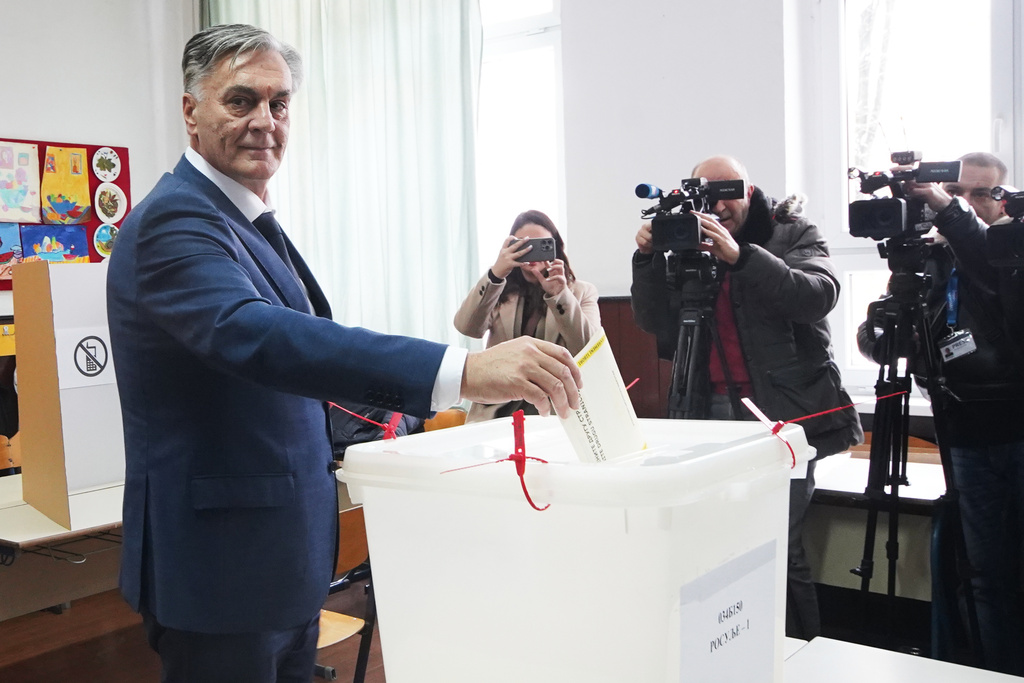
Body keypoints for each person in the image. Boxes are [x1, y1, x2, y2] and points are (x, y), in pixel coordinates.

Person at [105, 24, 581, 683]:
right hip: (220, 572)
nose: (264, 121)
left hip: (283, 561)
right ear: (190, 110)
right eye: (239, 101)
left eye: (279, 103)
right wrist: (461, 370)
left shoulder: (246, 222)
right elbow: (258, 336)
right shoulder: (174, 220)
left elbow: (300, 366)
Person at [630, 154, 863, 640]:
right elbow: (657, 324)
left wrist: (742, 256)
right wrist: (649, 261)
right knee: (714, 546)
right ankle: (732, 651)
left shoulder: (791, 232)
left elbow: (817, 295)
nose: (718, 202)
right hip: (706, 413)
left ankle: (798, 655)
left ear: (751, 192)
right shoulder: (685, 243)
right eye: (706, 191)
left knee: (779, 543)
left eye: (728, 190)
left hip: (781, 415)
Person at [867, 166, 1024, 676]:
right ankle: (993, 669)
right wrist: (891, 337)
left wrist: (949, 213)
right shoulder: (930, 260)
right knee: (983, 575)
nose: (967, 202)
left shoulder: (1011, 255)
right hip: (963, 435)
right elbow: (882, 335)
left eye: (983, 193)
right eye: (958, 193)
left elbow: (991, 275)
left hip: (1017, 430)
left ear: (1005, 199)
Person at [454, 209, 600, 422]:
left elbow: (590, 349)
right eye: (524, 245)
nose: (532, 251)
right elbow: (466, 327)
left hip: (553, 410)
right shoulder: (499, 290)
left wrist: (560, 294)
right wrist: (496, 274)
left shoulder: (580, 292)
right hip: (495, 410)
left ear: (555, 248)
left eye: (541, 245)